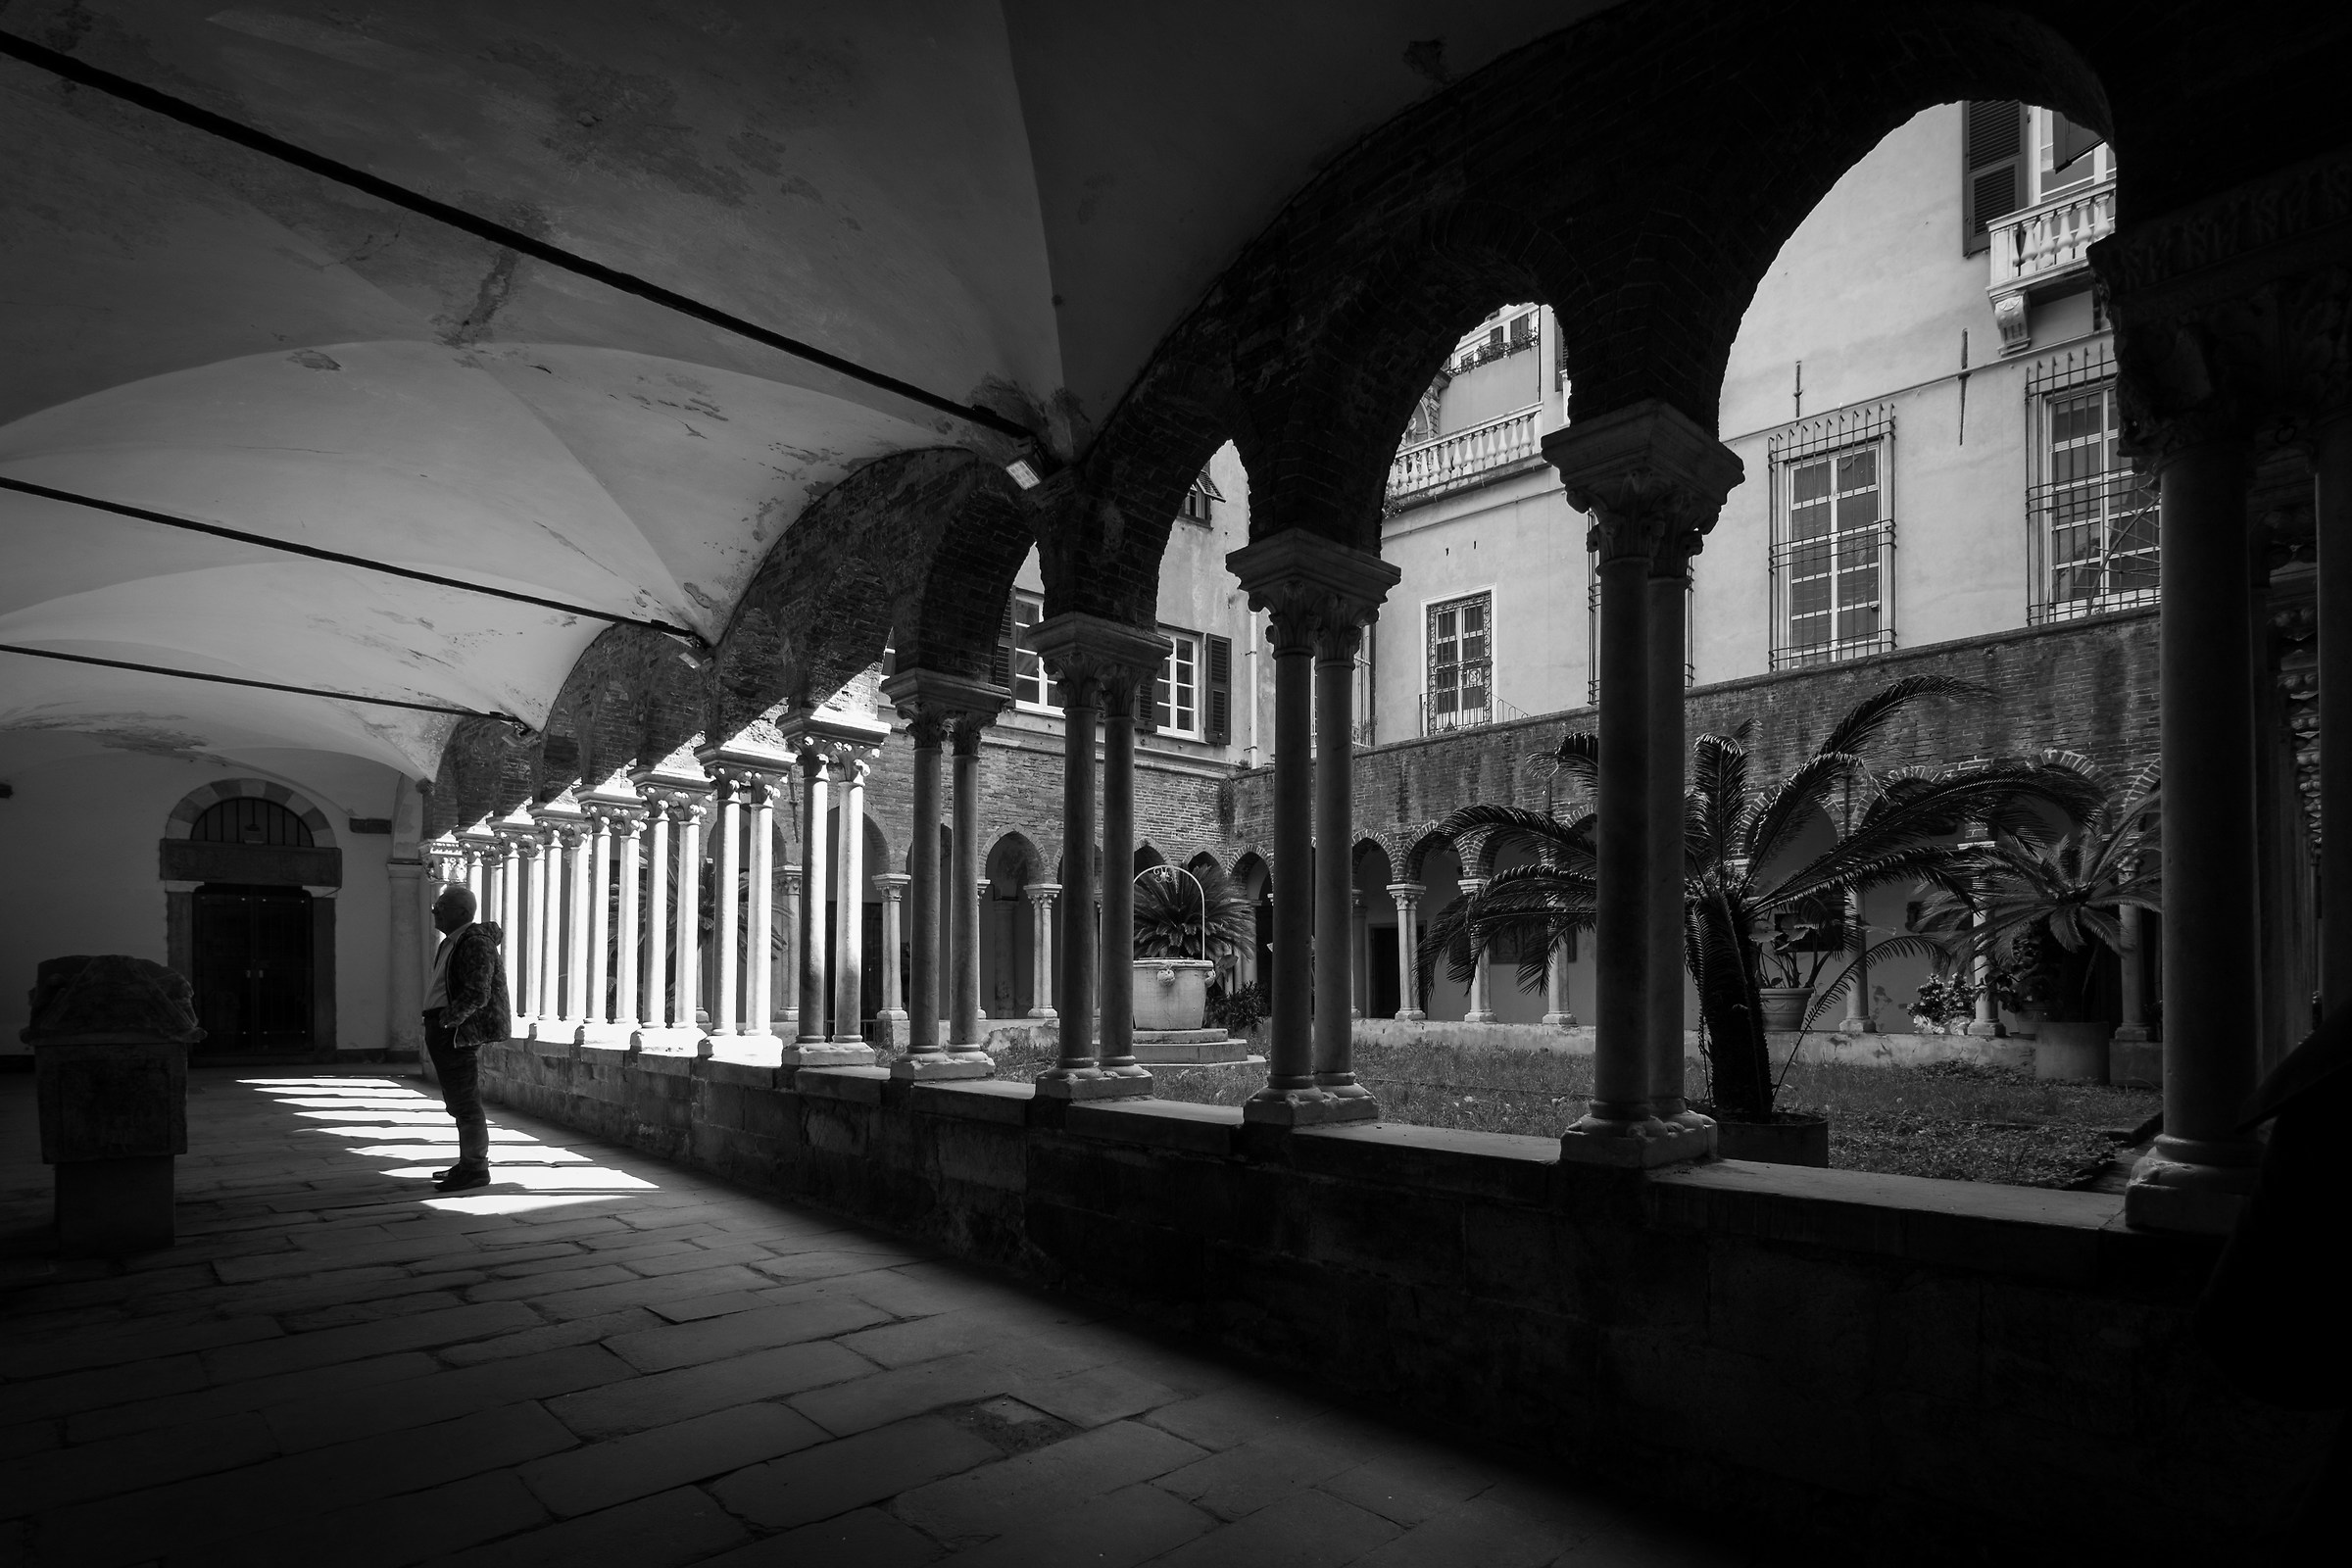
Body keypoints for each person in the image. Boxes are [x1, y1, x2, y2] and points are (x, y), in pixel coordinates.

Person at [421, 884, 510, 1193]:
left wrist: (448, 1022)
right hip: (444, 1028)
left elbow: (478, 992)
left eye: (441, 905)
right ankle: (468, 1163)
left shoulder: (474, 942)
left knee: (466, 1103)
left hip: (456, 1033)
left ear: (461, 912)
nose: (435, 909)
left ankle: (475, 1168)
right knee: (459, 1103)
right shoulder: (452, 942)